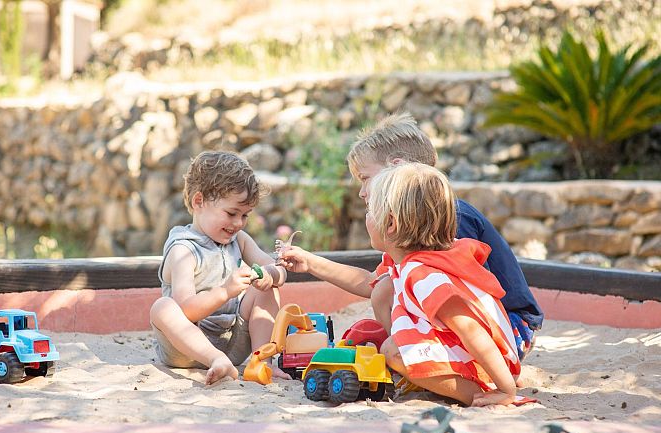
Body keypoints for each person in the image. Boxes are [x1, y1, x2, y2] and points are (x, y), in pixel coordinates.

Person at [278, 112, 542, 359]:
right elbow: (373, 281)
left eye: (365, 178)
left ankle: (422, 362)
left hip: (507, 327)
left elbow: (468, 299)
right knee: (377, 309)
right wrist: (310, 262)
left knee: (388, 298)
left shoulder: (448, 217)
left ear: (397, 166)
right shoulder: (408, 220)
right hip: (469, 324)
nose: (361, 192)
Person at [367, 163, 527, 406]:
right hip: (475, 357)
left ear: (390, 224)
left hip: (485, 365)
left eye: (369, 210)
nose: (366, 215)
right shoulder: (408, 263)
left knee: (393, 351)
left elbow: (470, 329)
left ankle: (474, 394)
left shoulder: (423, 274)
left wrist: (505, 388)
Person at [149, 151, 291, 385]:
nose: (238, 223)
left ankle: (262, 362)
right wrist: (225, 291)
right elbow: (186, 310)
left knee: (269, 288)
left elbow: (278, 271)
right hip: (184, 349)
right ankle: (216, 359)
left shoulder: (240, 239)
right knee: (162, 307)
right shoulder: (183, 250)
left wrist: (271, 275)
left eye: (245, 215)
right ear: (199, 202)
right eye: (231, 213)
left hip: (232, 343)